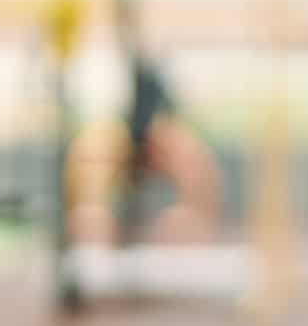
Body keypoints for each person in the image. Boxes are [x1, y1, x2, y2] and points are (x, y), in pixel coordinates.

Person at [66, 54, 221, 247]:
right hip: (115, 147)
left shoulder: (180, 145)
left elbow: (201, 214)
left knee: (186, 222)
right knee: (90, 216)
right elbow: (84, 212)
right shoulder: (101, 144)